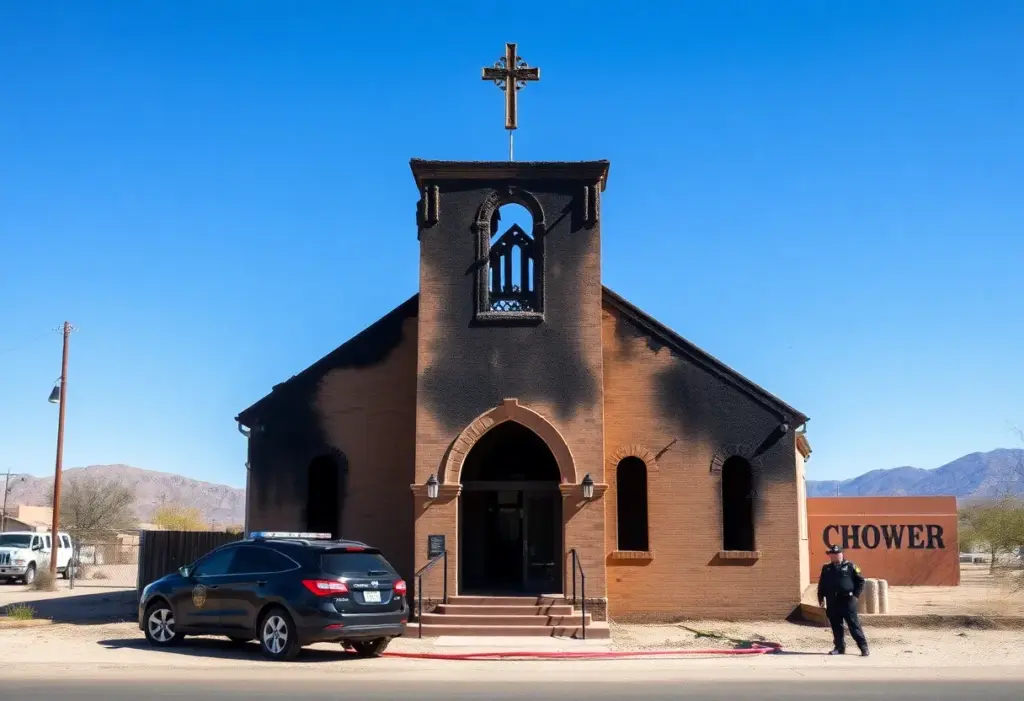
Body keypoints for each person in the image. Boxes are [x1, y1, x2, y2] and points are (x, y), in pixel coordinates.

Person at [817, 544, 869, 656]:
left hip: (847, 601)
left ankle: (863, 646)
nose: (834, 556)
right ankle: (839, 647)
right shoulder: (826, 568)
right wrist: (820, 598)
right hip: (832, 601)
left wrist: (856, 595)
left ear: (841, 554)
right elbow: (822, 584)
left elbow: (861, 581)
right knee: (836, 625)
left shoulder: (850, 566)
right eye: (832, 554)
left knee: (853, 624)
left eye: (836, 554)